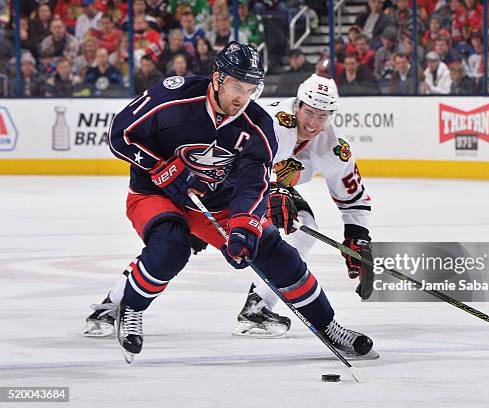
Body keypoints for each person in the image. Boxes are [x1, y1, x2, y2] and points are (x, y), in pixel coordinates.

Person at [82, 42, 375, 363]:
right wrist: (160, 168)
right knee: (171, 246)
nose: (242, 97)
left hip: (214, 199)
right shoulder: (175, 96)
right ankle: (130, 308)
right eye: (237, 86)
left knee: (275, 252)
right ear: (217, 78)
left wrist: (244, 226)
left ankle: (328, 326)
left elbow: (252, 182)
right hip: (155, 191)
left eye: (250, 89)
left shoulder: (257, 125)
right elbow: (120, 133)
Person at [233, 74, 374, 337]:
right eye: (309, 112)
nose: (313, 123)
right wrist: (274, 190)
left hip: (260, 188)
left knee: (302, 226)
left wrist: (358, 237)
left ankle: (258, 306)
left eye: (322, 116)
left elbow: (353, 197)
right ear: (297, 105)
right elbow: (244, 162)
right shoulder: (273, 122)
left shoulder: (333, 147)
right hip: (222, 181)